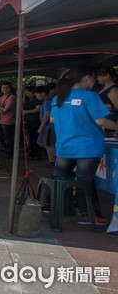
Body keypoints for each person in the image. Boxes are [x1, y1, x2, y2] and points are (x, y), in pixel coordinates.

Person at [51, 66, 118, 225]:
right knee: (83, 180)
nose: (94, 82)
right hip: (87, 147)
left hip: (64, 146)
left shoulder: (58, 98)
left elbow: (52, 120)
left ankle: (62, 209)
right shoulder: (90, 97)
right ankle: (84, 214)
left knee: (61, 179)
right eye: (94, 79)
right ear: (87, 78)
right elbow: (100, 121)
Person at [35, 86, 55, 166]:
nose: (37, 96)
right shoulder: (46, 102)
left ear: (43, 93)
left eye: (37, 95)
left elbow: (47, 115)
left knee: (48, 144)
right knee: (41, 142)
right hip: (46, 126)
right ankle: (52, 158)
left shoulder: (47, 102)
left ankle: (52, 161)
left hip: (49, 126)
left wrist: (41, 127)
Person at [0, 82, 17, 158]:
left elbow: (5, 110)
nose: (5, 89)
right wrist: (0, 109)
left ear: (10, 88)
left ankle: (10, 153)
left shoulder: (12, 97)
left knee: (9, 139)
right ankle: (8, 151)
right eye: (3, 88)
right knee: (4, 138)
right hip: (2, 121)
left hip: (10, 121)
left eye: (7, 88)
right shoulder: (2, 97)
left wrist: (0, 109)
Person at [23, 86, 42, 158]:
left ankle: (36, 153)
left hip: (34, 121)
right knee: (31, 137)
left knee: (34, 137)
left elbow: (38, 108)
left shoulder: (36, 100)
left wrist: (27, 112)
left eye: (28, 93)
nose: (27, 95)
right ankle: (33, 151)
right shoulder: (29, 100)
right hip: (29, 121)